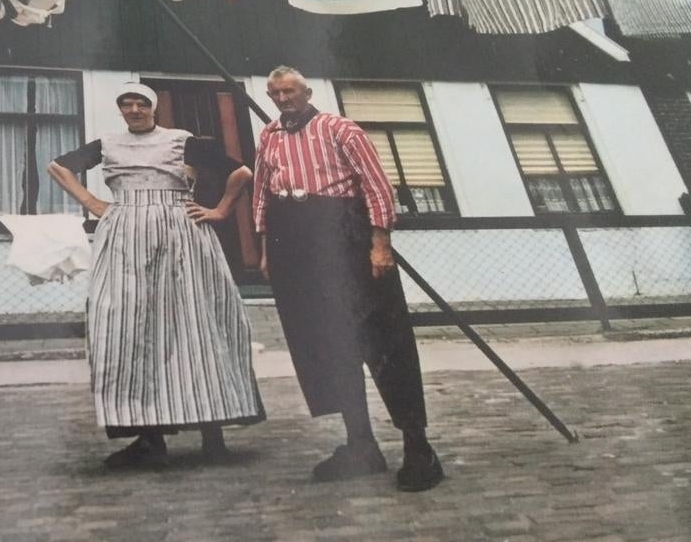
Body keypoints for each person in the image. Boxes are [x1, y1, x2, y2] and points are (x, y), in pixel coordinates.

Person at [47, 81, 265, 467]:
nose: (134, 110)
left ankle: (212, 434)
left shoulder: (183, 141)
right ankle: (148, 437)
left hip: (181, 235)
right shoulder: (107, 144)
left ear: (154, 108)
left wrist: (220, 210)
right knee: (126, 325)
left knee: (195, 324)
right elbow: (58, 167)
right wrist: (94, 202)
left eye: (141, 103)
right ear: (120, 109)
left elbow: (243, 172)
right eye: (126, 104)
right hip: (125, 236)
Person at [252, 66, 444, 491]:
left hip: (344, 233)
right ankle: (361, 444)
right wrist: (268, 249)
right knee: (325, 342)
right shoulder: (268, 136)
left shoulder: (340, 129)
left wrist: (380, 243)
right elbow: (262, 192)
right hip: (292, 240)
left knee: (382, 337)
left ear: (307, 91)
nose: (283, 100)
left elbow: (376, 186)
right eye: (275, 94)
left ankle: (418, 447)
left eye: (290, 92)